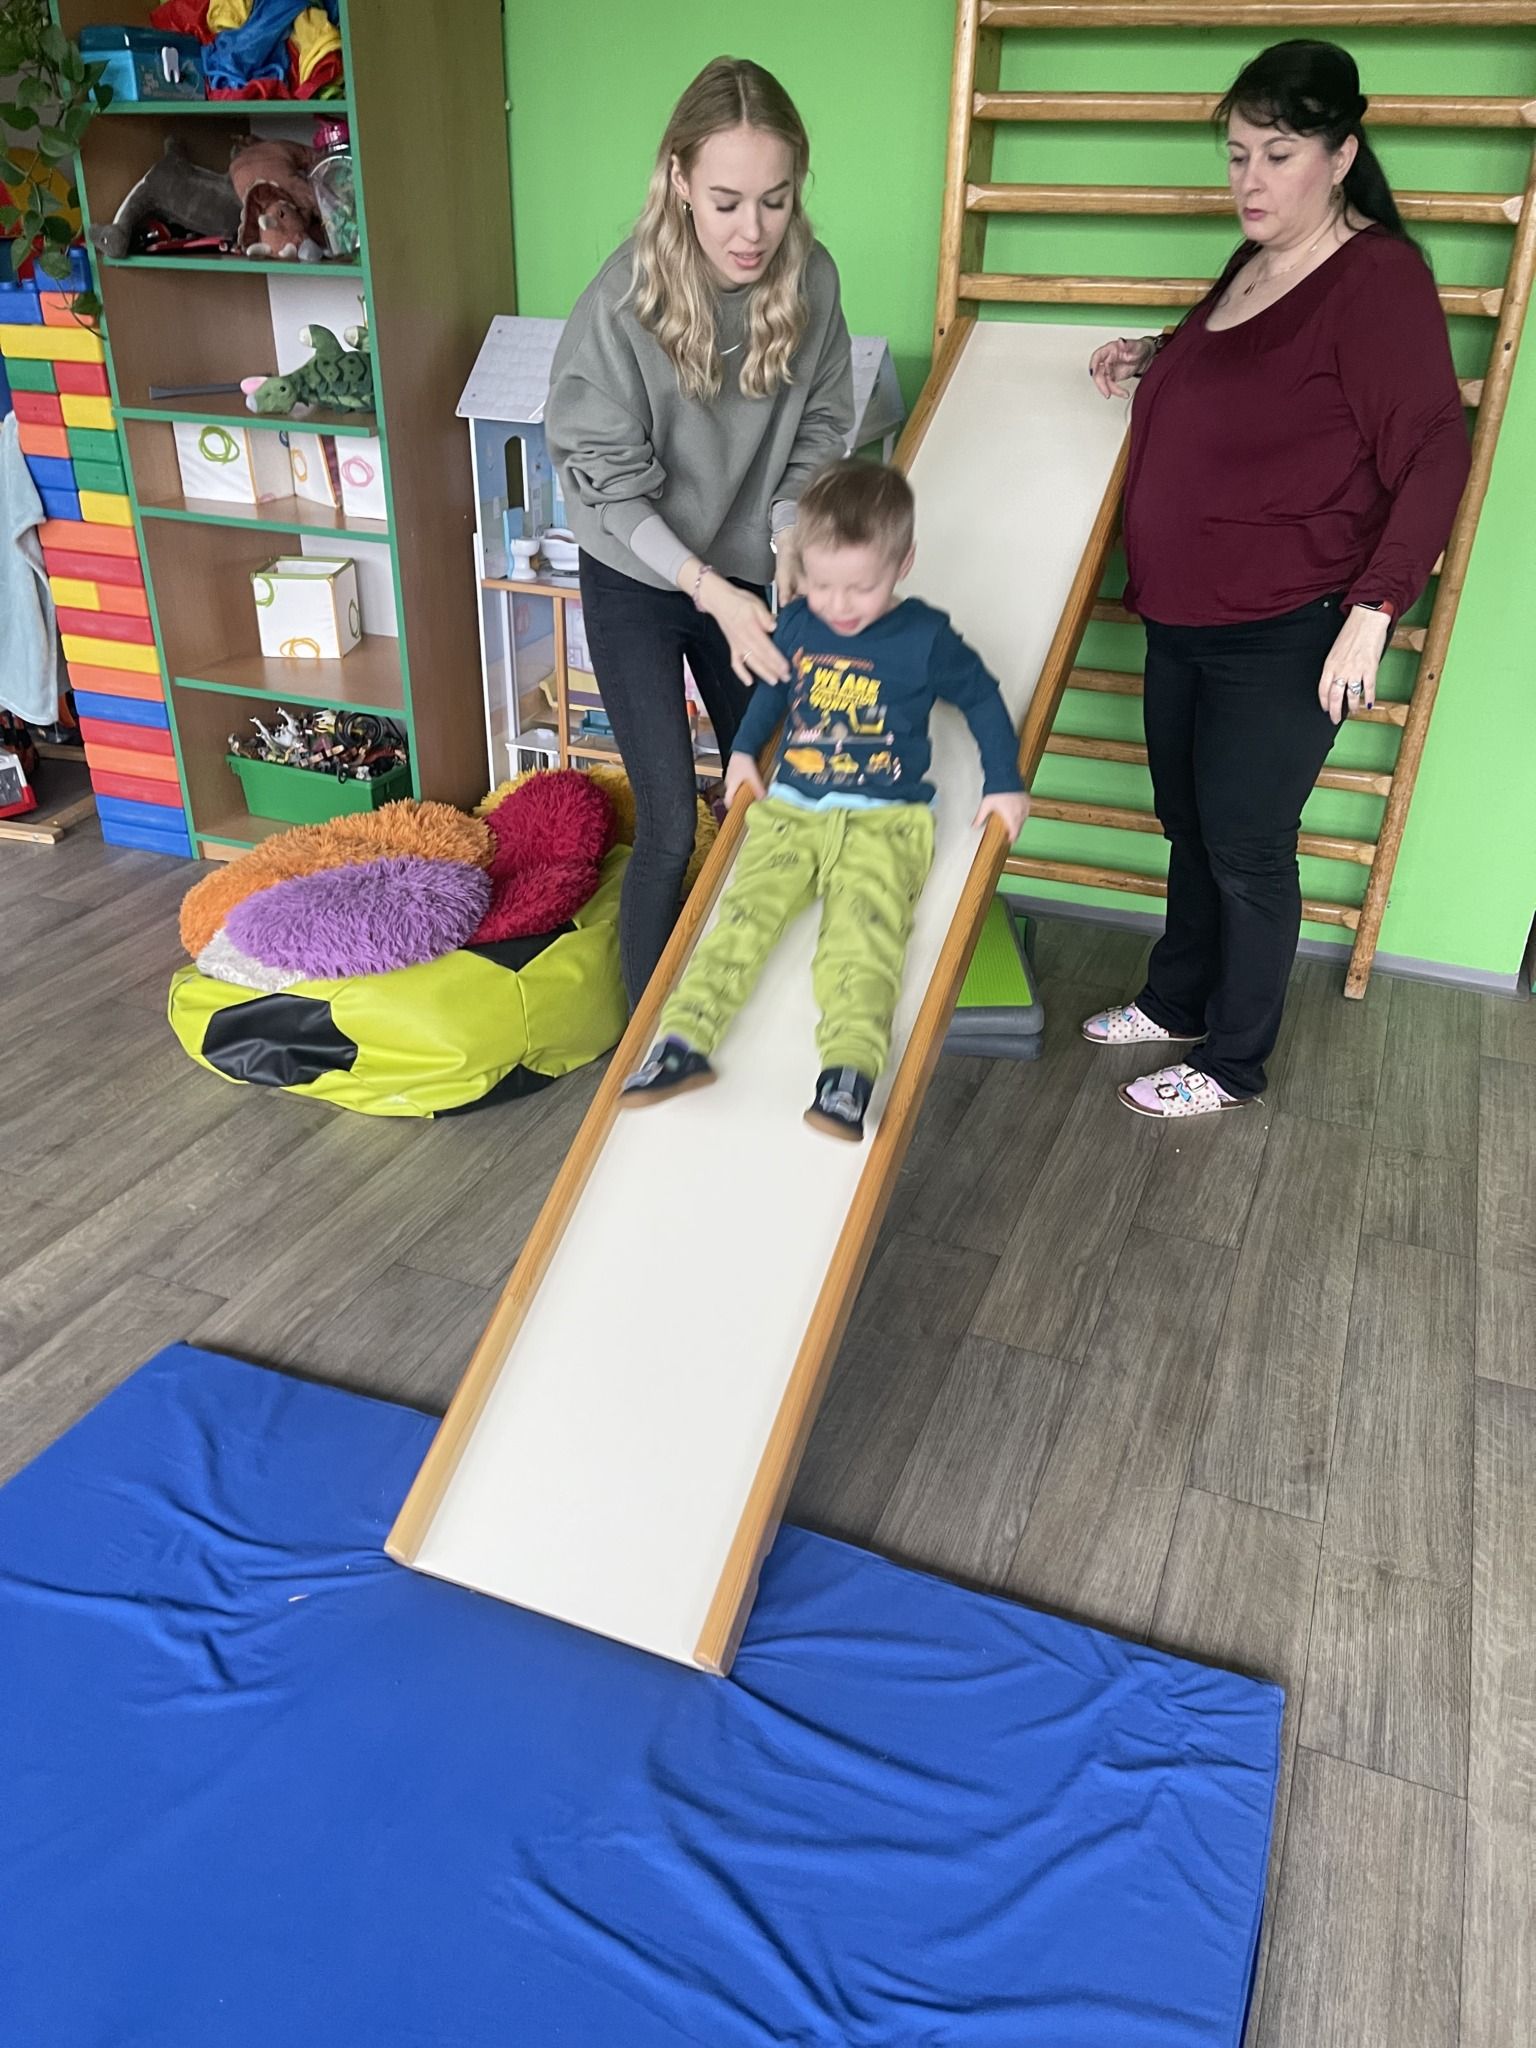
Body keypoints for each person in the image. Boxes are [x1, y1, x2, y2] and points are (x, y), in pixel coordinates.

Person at [1082, 39, 1469, 1119]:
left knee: (1248, 847)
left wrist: (1374, 610)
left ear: (1340, 156)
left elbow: (1434, 450)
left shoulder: (1378, 278)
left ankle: (1232, 1061)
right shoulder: (1255, 259)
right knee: (1189, 824)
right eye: (1238, 154)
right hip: (1182, 613)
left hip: (1287, 625)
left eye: (1279, 155)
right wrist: (1156, 354)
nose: (1250, 180)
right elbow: (1258, 372)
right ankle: (1176, 998)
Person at [546, 56, 855, 1006]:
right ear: (679, 179)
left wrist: (790, 529)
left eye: (775, 200)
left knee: (769, 789)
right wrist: (707, 587)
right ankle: (645, 1051)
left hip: (744, 571)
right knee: (672, 825)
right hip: (638, 571)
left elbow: (821, 424)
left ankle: (746, 1005)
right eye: (726, 202)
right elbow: (605, 485)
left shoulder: (811, 280)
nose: (752, 231)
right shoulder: (622, 301)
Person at [619, 459, 1030, 1141]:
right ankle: (682, 1044)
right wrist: (744, 751)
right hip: (792, 811)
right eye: (821, 583)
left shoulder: (924, 637)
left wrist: (1004, 780)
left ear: (903, 564)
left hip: (885, 824)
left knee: (861, 945)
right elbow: (775, 687)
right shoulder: (802, 622)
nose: (837, 604)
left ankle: (847, 1075)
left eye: (860, 588)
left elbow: (983, 699)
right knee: (740, 922)